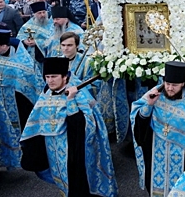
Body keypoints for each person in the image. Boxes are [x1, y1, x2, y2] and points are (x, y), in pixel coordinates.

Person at [20, 57, 118, 197]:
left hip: (74, 148)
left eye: (54, 77)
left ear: (65, 77)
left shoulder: (79, 94)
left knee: (77, 184)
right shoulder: (46, 94)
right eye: (47, 77)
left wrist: (71, 100)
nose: (50, 81)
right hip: (52, 147)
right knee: (61, 181)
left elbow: (84, 124)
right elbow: (35, 120)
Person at [131, 61, 185, 197]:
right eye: (167, 84)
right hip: (156, 152)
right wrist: (149, 106)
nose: (169, 88)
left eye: (174, 85)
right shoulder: (154, 95)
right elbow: (137, 121)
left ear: (183, 84)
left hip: (183, 155)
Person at [0, 29, 42, 173]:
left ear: (4, 45)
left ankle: (25, 158)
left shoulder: (22, 60)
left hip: (18, 102)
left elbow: (31, 82)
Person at [17, 0, 53, 65]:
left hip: (47, 55)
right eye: (39, 13)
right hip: (31, 55)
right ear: (34, 14)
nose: (42, 15)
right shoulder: (28, 25)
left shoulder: (52, 25)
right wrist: (25, 41)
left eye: (44, 12)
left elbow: (55, 40)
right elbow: (20, 36)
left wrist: (37, 42)